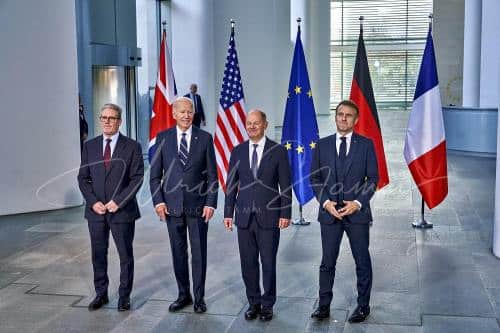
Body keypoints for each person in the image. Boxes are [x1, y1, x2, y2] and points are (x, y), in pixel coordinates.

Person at [310, 100, 378, 323]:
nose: (343, 118)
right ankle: (323, 306)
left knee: (362, 260)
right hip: (329, 213)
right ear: (336, 116)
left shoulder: (366, 145)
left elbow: (373, 179)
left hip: (357, 213)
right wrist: (326, 203)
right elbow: (315, 179)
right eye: (340, 114)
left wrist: (357, 203)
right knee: (327, 261)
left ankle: (363, 306)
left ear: (356, 120)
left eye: (349, 115)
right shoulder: (322, 145)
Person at [149, 96, 218, 314]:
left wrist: (211, 203)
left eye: (190, 111)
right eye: (182, 112)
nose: (187, 115)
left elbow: (213, 177)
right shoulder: (162, 138)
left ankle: (199, 298)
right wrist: (158, 201)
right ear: (173, 114)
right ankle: (183, 295)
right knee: (178, 253)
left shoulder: (205, 138)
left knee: (199, 254)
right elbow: (154, 177)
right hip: (172, 208)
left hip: (198, 208)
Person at [223, 110, 292, 322]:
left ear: (265, 124)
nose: (252, 127)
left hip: (270, 217)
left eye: (256, 123)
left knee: (268, 262)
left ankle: (267, 304)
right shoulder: (238, 151)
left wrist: (285, 213)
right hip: (243, 217)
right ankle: (253, 302)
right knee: (248, 263)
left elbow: (286, 185)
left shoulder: (278, 151)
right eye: (248, 123)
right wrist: (228, 212)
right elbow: (231, 185)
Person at [77, 103, 144, 312]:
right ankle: (101, 294)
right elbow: (83, 178)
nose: (107, 121)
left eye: (111, 118)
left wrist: (119, 201)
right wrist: (92, 201)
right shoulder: (90, 146)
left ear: (119, 121)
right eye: (103, 117)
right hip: (96, 212)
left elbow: (137, 178)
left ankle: (124, 296)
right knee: (98, 254)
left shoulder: (132, 146)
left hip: (122, 212)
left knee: (125, 255)